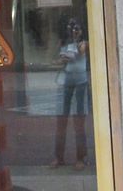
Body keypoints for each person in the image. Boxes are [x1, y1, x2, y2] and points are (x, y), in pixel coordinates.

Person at [51, 19, 89, 170]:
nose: (74, 31)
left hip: (81, 82)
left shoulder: (83, 43)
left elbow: (78, 53)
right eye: (71, 29)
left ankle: (81, 157)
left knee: (79, 120)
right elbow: (59, 59)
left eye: (76, 29)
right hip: (67, 81)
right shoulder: (65, 43)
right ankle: (58, 157)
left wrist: (68, 52)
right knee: (62, 119)